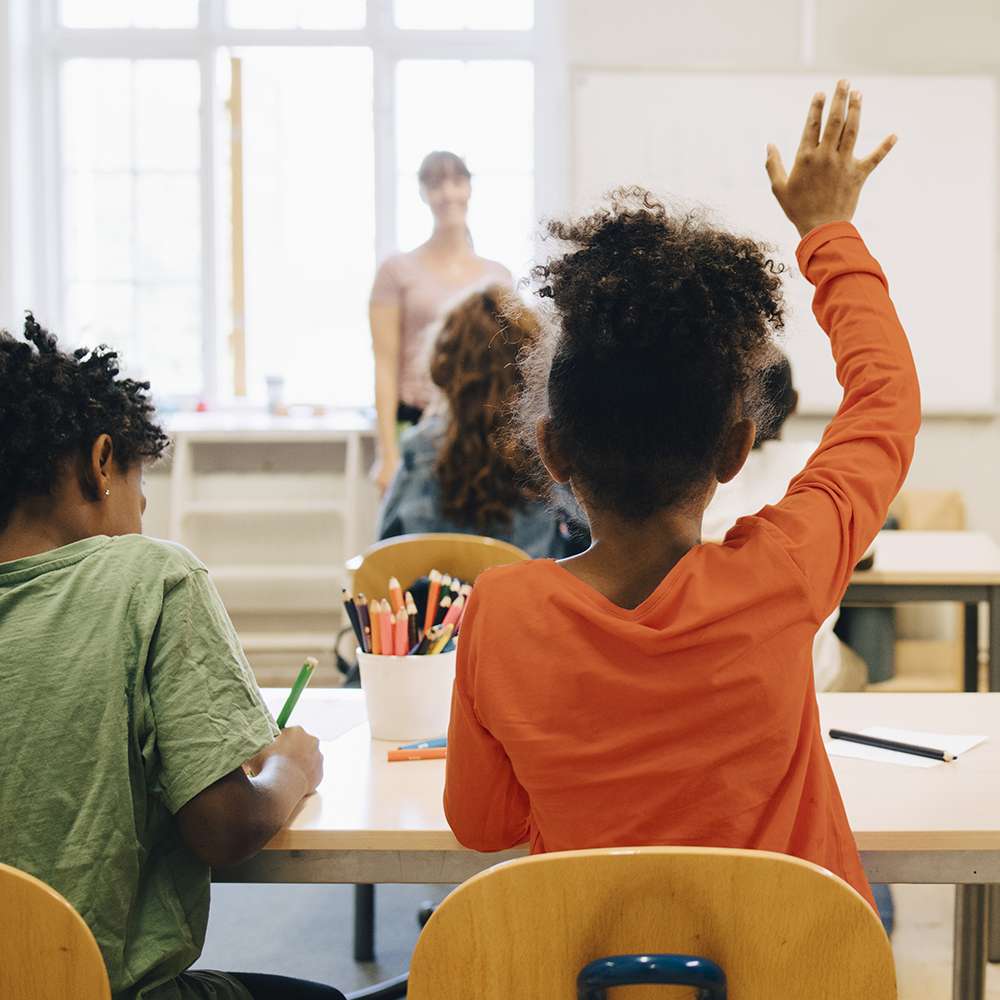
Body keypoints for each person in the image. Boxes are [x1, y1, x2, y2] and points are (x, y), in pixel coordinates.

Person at [443, 82, 915, 911]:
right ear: (736, 449)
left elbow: (484, 824)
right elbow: (886, 401)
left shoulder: (502, 609)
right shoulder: (782, 575)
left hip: (587, 975)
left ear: (552, 449)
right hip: (789, 976)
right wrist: (828, 232)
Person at [0, 316, 345, 1000]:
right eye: (141, 490)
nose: (141, 516)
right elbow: (224, 826)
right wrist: (289, 768)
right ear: (102, 463)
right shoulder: (149, 577)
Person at [377, 286, 587, 558]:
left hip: (432, 598)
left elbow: (384, 555)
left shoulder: (420, 450)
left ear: (446, 370)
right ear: (529, 366)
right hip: (522, 600)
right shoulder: (546, 453)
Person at [703, 350, 868, 692]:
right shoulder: (814, 463)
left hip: (718, 677)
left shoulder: (695, 482)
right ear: (794, 404)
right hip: (809, 675)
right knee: (857, 660)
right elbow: (865, 547)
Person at [369, 150, 512, 494]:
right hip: (416, 419)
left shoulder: (498, 276)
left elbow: (510, 368)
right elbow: (385, 365)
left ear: (469, 188)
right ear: (423, 193)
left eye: (456, 181)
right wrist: (386, 453)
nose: (447, 193)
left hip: (481, 428)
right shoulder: (396, 271)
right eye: (436, 184)